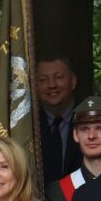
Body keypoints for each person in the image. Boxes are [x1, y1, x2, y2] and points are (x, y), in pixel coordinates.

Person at [44, 97, 101, 201]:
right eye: (84, 129)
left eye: (100, 128)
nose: (91, 136)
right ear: (75, 134)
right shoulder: (58, 192)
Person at [35, 57, 81, 186]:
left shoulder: (91, 122)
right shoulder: (28, 127)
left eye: (58, 77)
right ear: (35, 86)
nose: (51, 85)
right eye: (43, 80)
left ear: (72, 81)